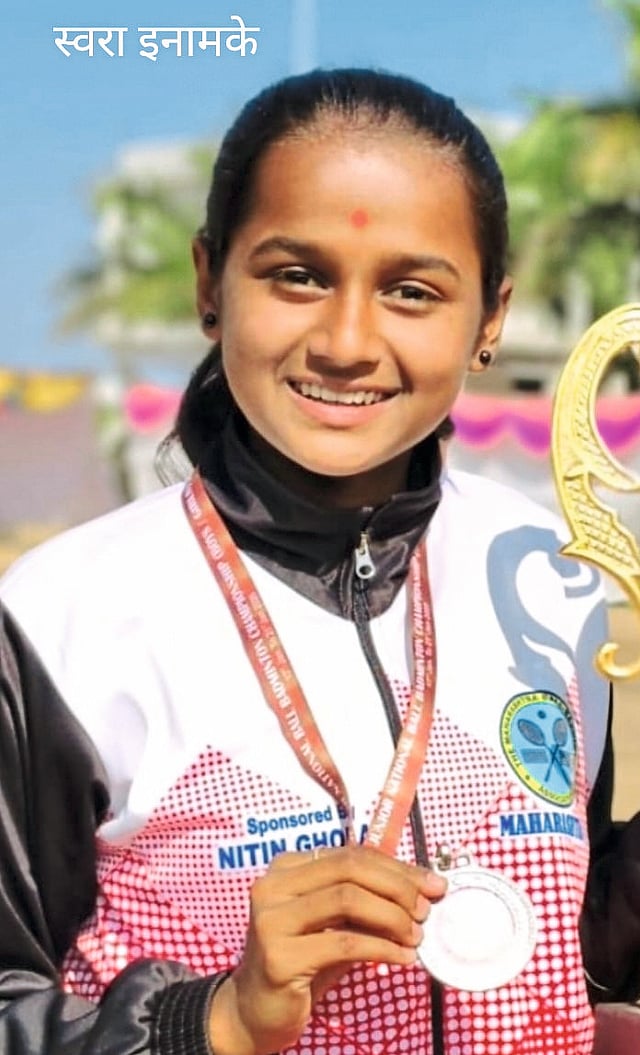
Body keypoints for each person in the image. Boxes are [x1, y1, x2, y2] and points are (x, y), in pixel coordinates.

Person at [0, 68, 636, 1055]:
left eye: (412, 290)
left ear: (490, 319)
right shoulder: (60, 616)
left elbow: (572, 945)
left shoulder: (548, 574)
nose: (346, 342)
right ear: (210, 284)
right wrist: (213, 1018)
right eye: (297, 275)